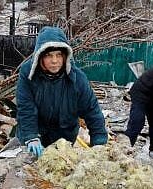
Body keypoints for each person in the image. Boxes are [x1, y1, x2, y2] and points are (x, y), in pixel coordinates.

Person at [16, 26, 108, 157]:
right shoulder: (28, 75)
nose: (54, 61)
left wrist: (99, 142)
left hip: (64, 139)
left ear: (65, 56)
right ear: (39, 56)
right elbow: (26, 108)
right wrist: (31, 137)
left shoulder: (77, 79)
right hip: (35, 138)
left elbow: (92, 111)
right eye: (48, 55)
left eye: (59, 55)